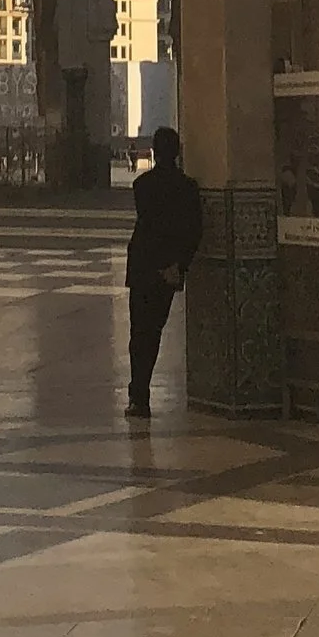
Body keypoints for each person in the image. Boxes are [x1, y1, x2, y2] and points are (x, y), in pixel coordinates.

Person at [124, 124, 202, 419]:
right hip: (168, 270)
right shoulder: (188, 189)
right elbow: (193, 231)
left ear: (155, 152)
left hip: (143, 266)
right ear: (179, 152)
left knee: (138, 332)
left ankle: (138, 395)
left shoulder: (142, 186)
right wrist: (179, 265)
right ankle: (140, 391)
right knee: (153, 331)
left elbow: (149, 226)